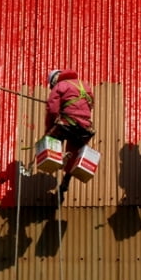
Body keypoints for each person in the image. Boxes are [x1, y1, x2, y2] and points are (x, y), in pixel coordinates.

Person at [45, 69, 95, 203]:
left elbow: (52, 110)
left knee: (52, 138)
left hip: (67, 123)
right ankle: (66, 180)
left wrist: (48, 129)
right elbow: (90, 105)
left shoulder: (60, 86)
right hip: (84, 128)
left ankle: (59, 156)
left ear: (54, 80)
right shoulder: (85, 85)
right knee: (74, 152)